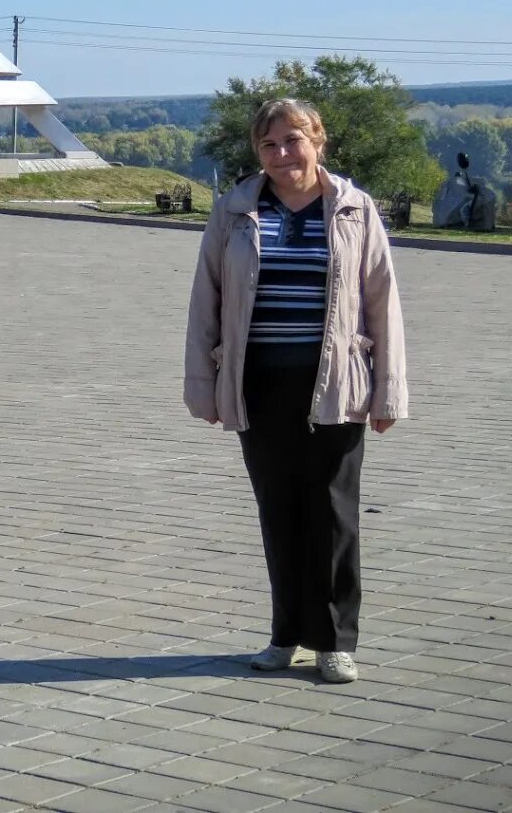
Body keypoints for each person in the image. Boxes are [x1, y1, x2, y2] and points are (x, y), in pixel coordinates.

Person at [184, 98, 407, 684]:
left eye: (293, 141)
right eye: (269, 145)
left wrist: (389, 391)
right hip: (259, 382)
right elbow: (205, 301)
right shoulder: (235, 210)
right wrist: (203, 387)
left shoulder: (353, 209)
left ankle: (335, 639)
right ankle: (286, 634)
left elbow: (383, 302)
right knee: (278, 510)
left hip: (335, 382)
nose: (283, 154)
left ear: (318, 141)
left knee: (333, 513)